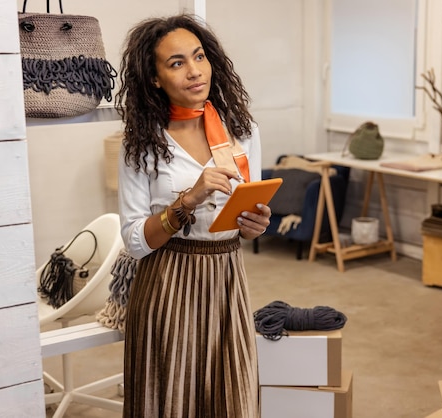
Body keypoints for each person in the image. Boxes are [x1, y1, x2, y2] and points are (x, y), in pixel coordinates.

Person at [114, 14, 270, 418]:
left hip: (227, 278)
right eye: (177, 62)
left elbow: (244, 214)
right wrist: (190, 198)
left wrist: (255, 226)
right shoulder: (143, 144)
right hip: (168, 282)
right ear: (154, 78)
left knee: (231, 398)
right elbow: (134, 240)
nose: (195, 71)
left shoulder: (243, 129)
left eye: (199, 57)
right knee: (171, 402)